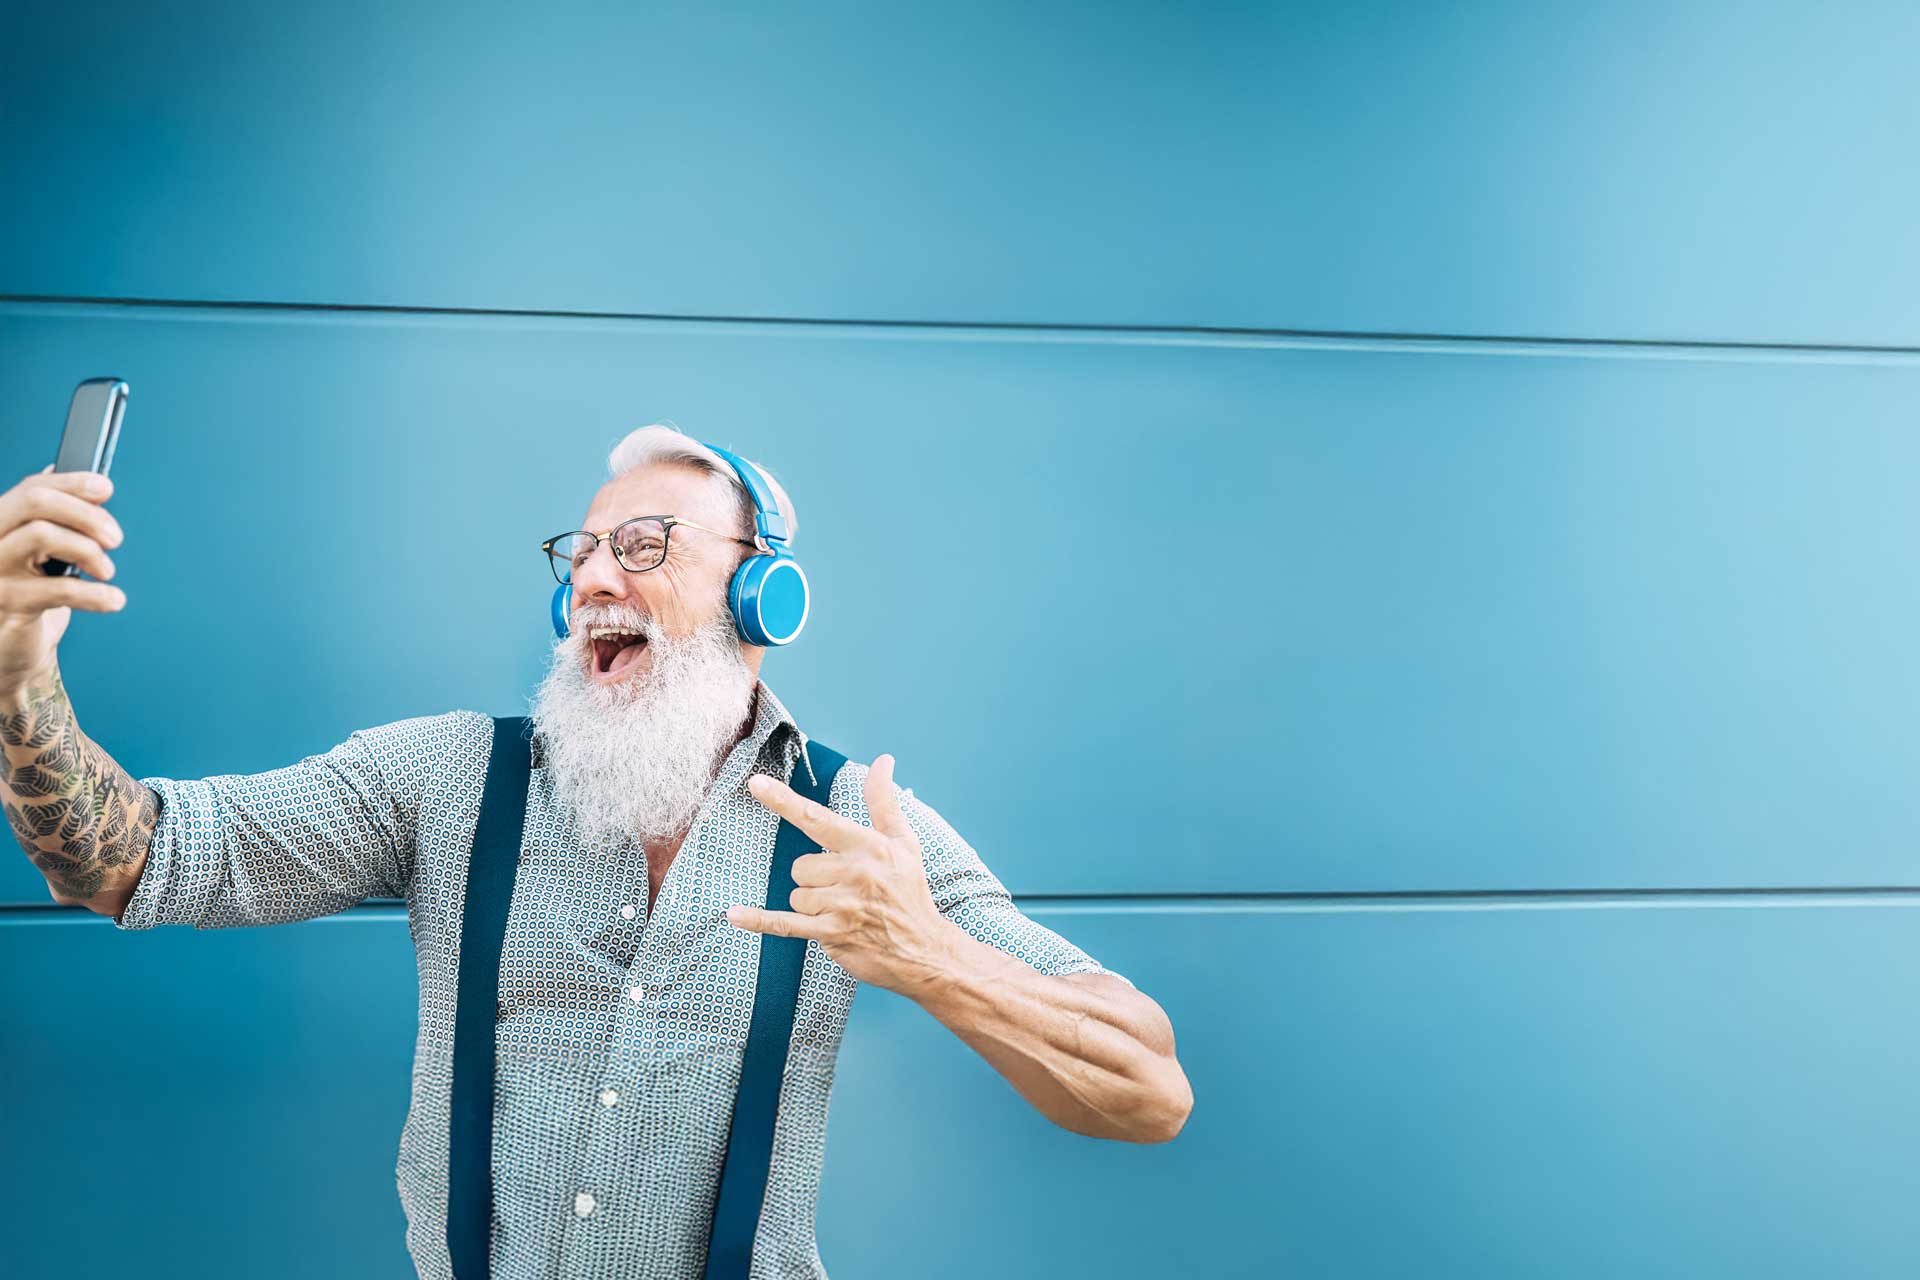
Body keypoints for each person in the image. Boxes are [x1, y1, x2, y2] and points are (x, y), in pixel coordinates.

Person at [0, 423, 1193, 1280]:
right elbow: (131, 857)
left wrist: (929, 954)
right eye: (580, 552)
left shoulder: (856, 825)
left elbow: (1148, 1089)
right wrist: (15, 672)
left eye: (645, 543)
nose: (592, 576)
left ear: (763, 593)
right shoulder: (445, 778)